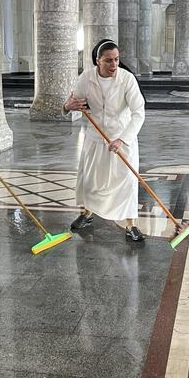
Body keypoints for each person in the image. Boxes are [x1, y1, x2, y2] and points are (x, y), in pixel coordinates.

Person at [63, 39, 146, 242]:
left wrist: (122, 139)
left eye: (116, 60)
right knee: (91, 180)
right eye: (108, 60)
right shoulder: (87, 78)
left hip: (122, 138)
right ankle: (87, 213)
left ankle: (131, 224)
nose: (114, 65)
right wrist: (68, 106)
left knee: (127, 182)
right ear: (98, 61)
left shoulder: (127, 79)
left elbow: (138, 113)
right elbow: (73, 101)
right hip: (95, 137)